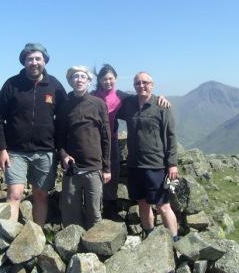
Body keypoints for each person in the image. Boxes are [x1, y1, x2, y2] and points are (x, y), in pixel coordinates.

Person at [0, 43, 67, 225]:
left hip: (45, 151)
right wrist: (2, 149)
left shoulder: (54, 86)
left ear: (45, 61)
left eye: (38, 58)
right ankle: (8, 237)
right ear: (24, 62)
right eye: (29, 59)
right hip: (15, 151)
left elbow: (65, 117)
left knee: (40, 195)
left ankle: (37, 236)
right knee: (14, 195)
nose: (34, 62)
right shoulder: (12, 84)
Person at [92, 64, 171, 219]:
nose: (107, 82)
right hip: (92, 141)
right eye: (104, 79)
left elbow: (143, 97)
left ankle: (110, 208)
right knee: (92, 173)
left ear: (115, 79)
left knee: (112, 175)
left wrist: (160, 98)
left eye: (110, 78)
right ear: (99, 80)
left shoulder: (122, 97)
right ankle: (92, 208)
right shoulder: (93, 96)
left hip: (112, 141)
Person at [117, 71, 179, 241]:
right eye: (137, 83)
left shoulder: (161, 106)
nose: (141, 86)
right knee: (142, 204)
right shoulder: (129, 104)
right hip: (134, 165)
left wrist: (172, 163)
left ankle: (175, 241)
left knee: (163, 205)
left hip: (156, 165)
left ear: (152, 85)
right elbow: (110, 95)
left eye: (145, 82)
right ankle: (150, 239)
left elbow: (171, 135)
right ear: (134, 86)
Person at [55, 65, 111, 229]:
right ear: (70, 81)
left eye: (82, 77)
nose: (79, 80)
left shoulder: (98, 104)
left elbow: (106, 137)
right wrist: (63, 155)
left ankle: (94, 249)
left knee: (95, 214)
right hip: (72, 169)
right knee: (71, 215)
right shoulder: (65, 107)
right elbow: (59, 137)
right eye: (75, 77)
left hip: (94, 168)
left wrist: (106, 168)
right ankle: (74, 250)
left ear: (88, 81)